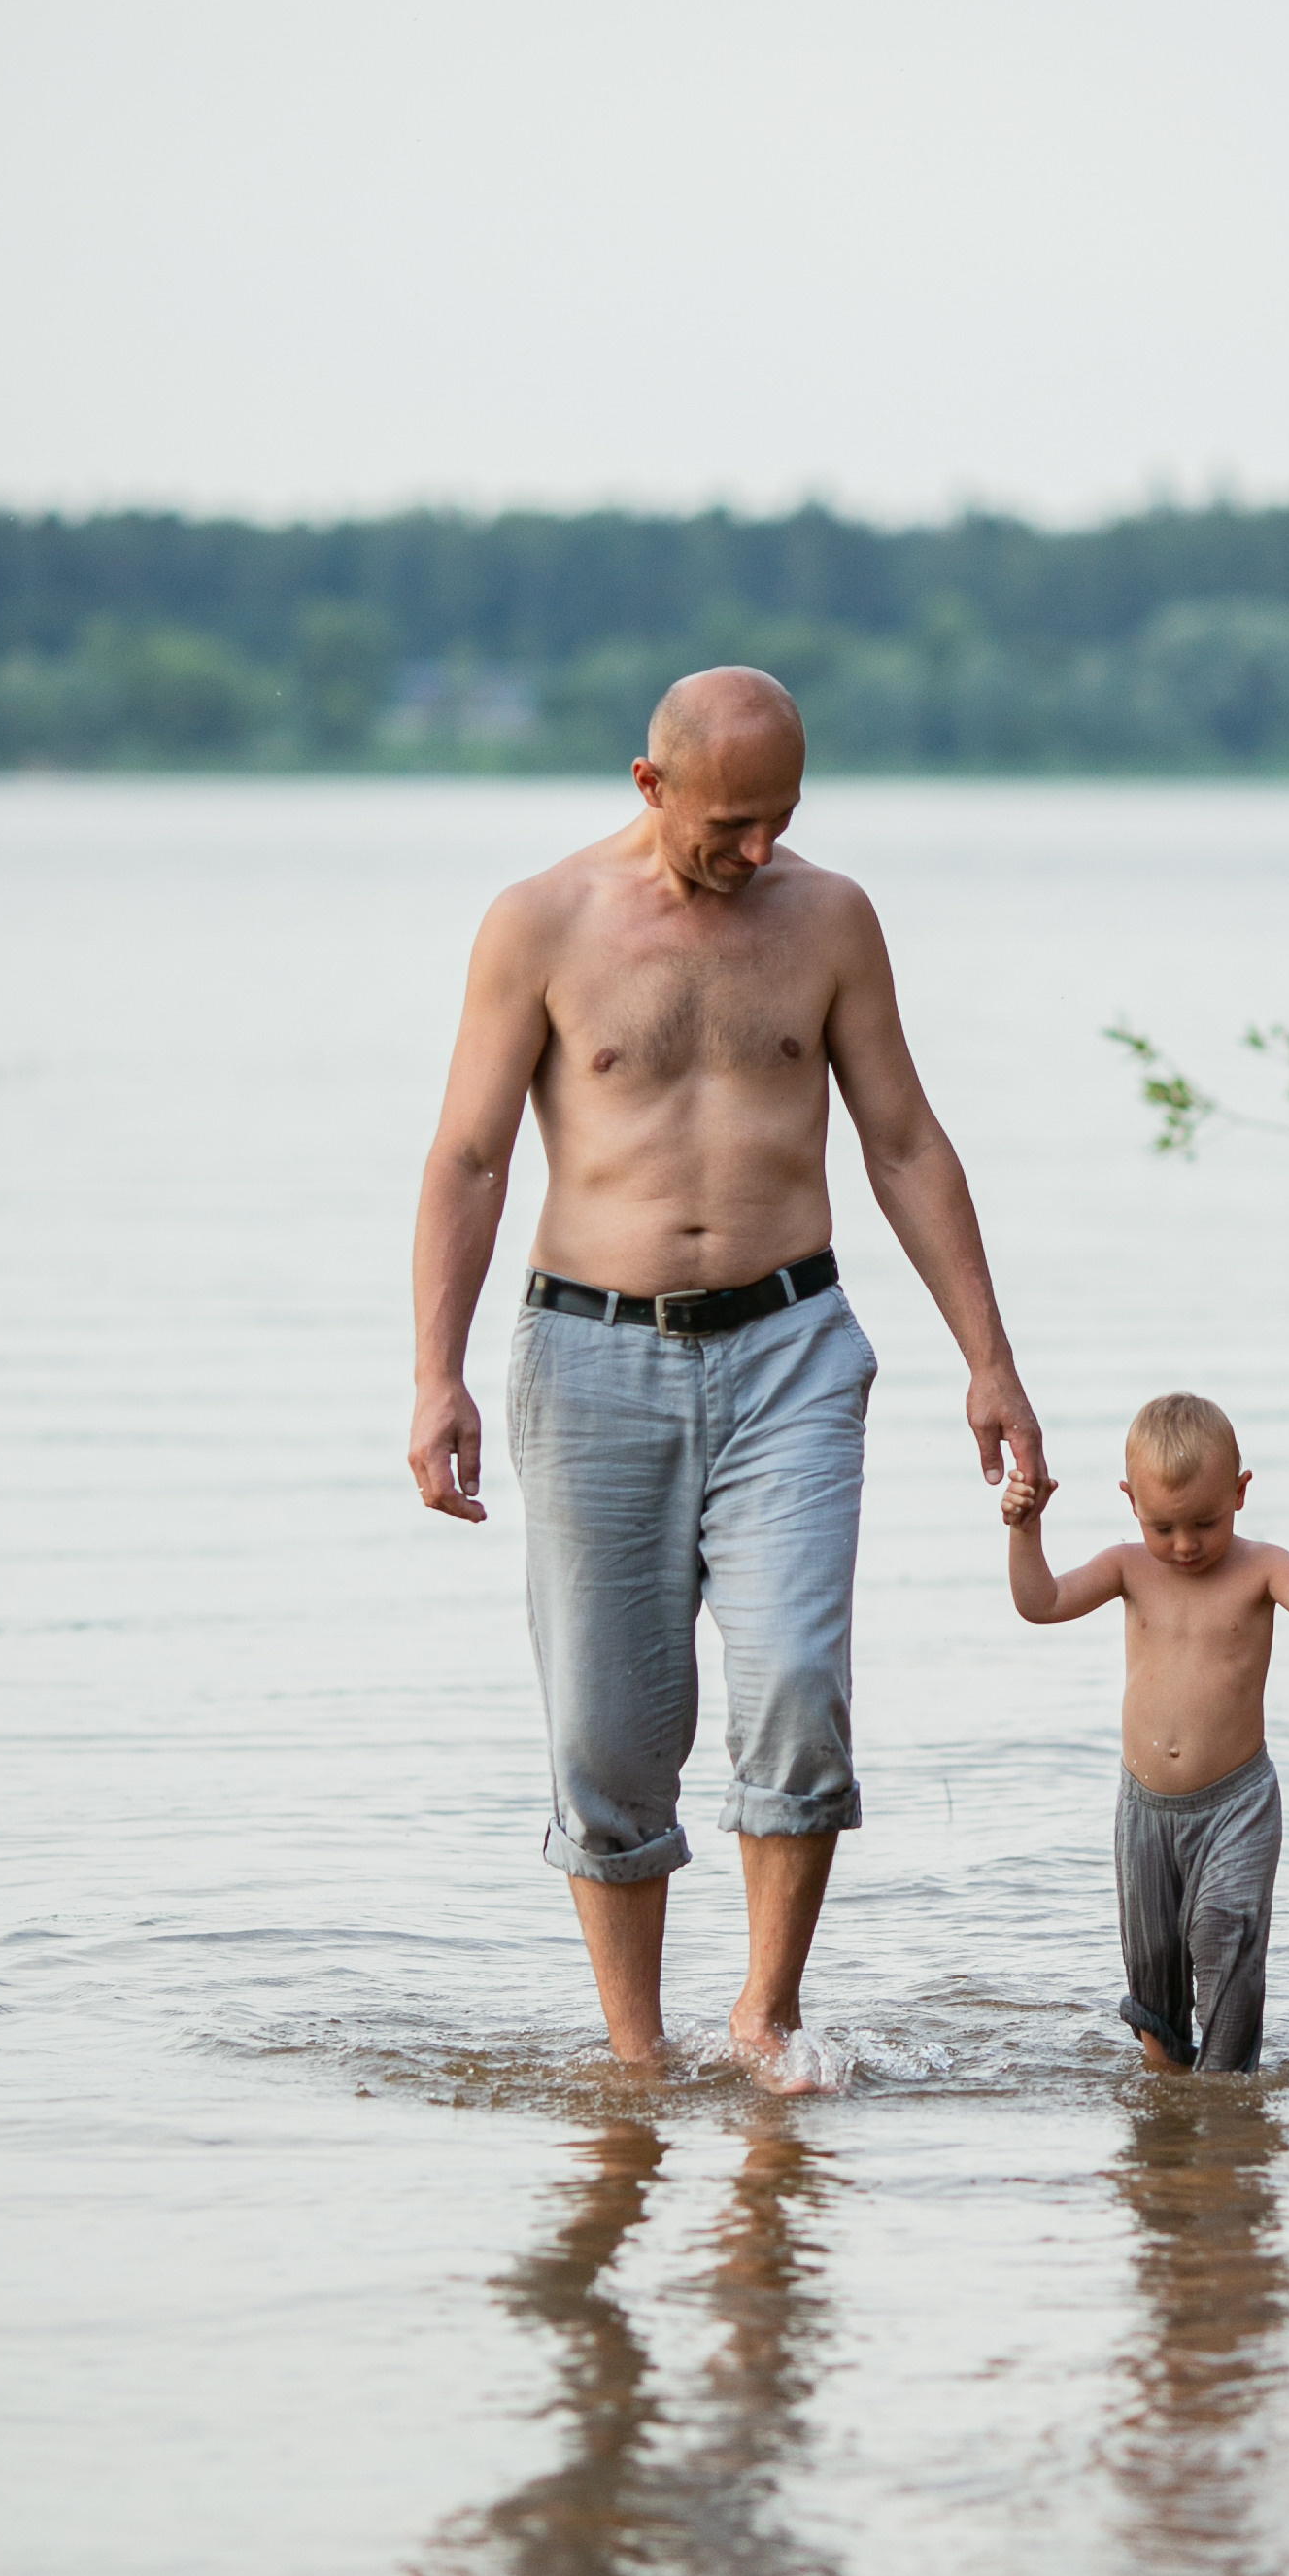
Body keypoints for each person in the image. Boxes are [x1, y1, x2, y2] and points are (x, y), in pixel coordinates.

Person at [408, 665, 1044, 2076]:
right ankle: (634, 2057)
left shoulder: (830, 920)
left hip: (793, 1348)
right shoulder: (540, 923)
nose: (759, 851)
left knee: (800, 1689)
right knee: (607, 1728)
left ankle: (765, 2016)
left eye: (781, 819)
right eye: (728, 825)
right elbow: (468, 1157)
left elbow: (904, 1141)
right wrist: (434, 1375)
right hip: (588, 1357)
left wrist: (989, 1361)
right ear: (650, 786)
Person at [1002, 1391, 1289, 2075]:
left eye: (1204, 1521)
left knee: (1223, 1933)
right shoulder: (1126, 1567)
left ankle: (1226, 2088)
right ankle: (1168, 2088)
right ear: (1130, 1501)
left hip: (1237, 1804)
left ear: (1240, 1492)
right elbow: (1040, 1602)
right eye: (1162, 1526)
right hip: (1145, 1807)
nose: (1185, 1544)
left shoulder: (1264, 1568)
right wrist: (1026, 1532)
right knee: (1153, 1961)